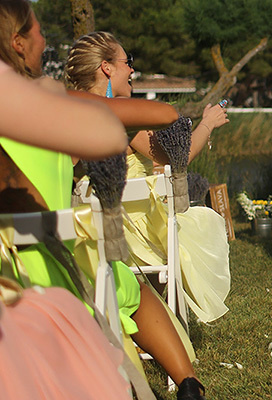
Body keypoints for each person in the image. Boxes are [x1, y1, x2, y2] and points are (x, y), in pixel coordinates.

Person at [0, 0, 206, 399]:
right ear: (19, 43)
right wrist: (87, 105)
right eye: (40, 33)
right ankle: (189, 384)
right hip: (50, 277)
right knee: (131, 286)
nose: (45, 43)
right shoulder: (51, 103)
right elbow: (165, 116)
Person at [65, 31, 231, 324]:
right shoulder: (122, 117)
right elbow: (179, 157)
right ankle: (157, 318)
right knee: (197, 221)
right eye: (127, 61)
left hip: (88, 232)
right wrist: (208, 124)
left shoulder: (68, 114)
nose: (132, 69)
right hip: (133, 232)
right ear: (106, 67)